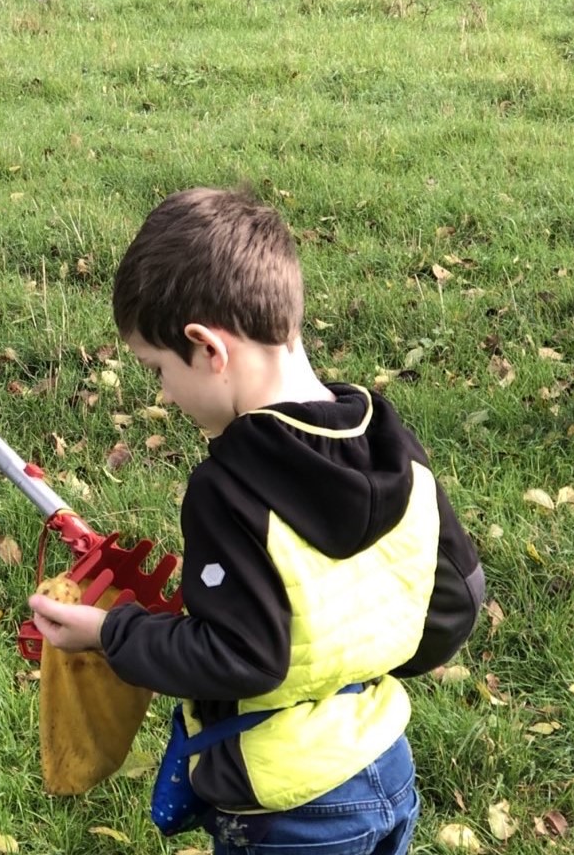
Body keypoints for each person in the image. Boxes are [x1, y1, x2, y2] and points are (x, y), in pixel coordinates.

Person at [29, 187, 484, 855]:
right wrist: (349, 667)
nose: (162, 393)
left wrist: (110, 631)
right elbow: (456, 600)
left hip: (290, 811)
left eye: (158, 370)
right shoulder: (393, 447)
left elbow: (240, 657)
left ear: (207, 348)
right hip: (384, 762)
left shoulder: (230, 488)